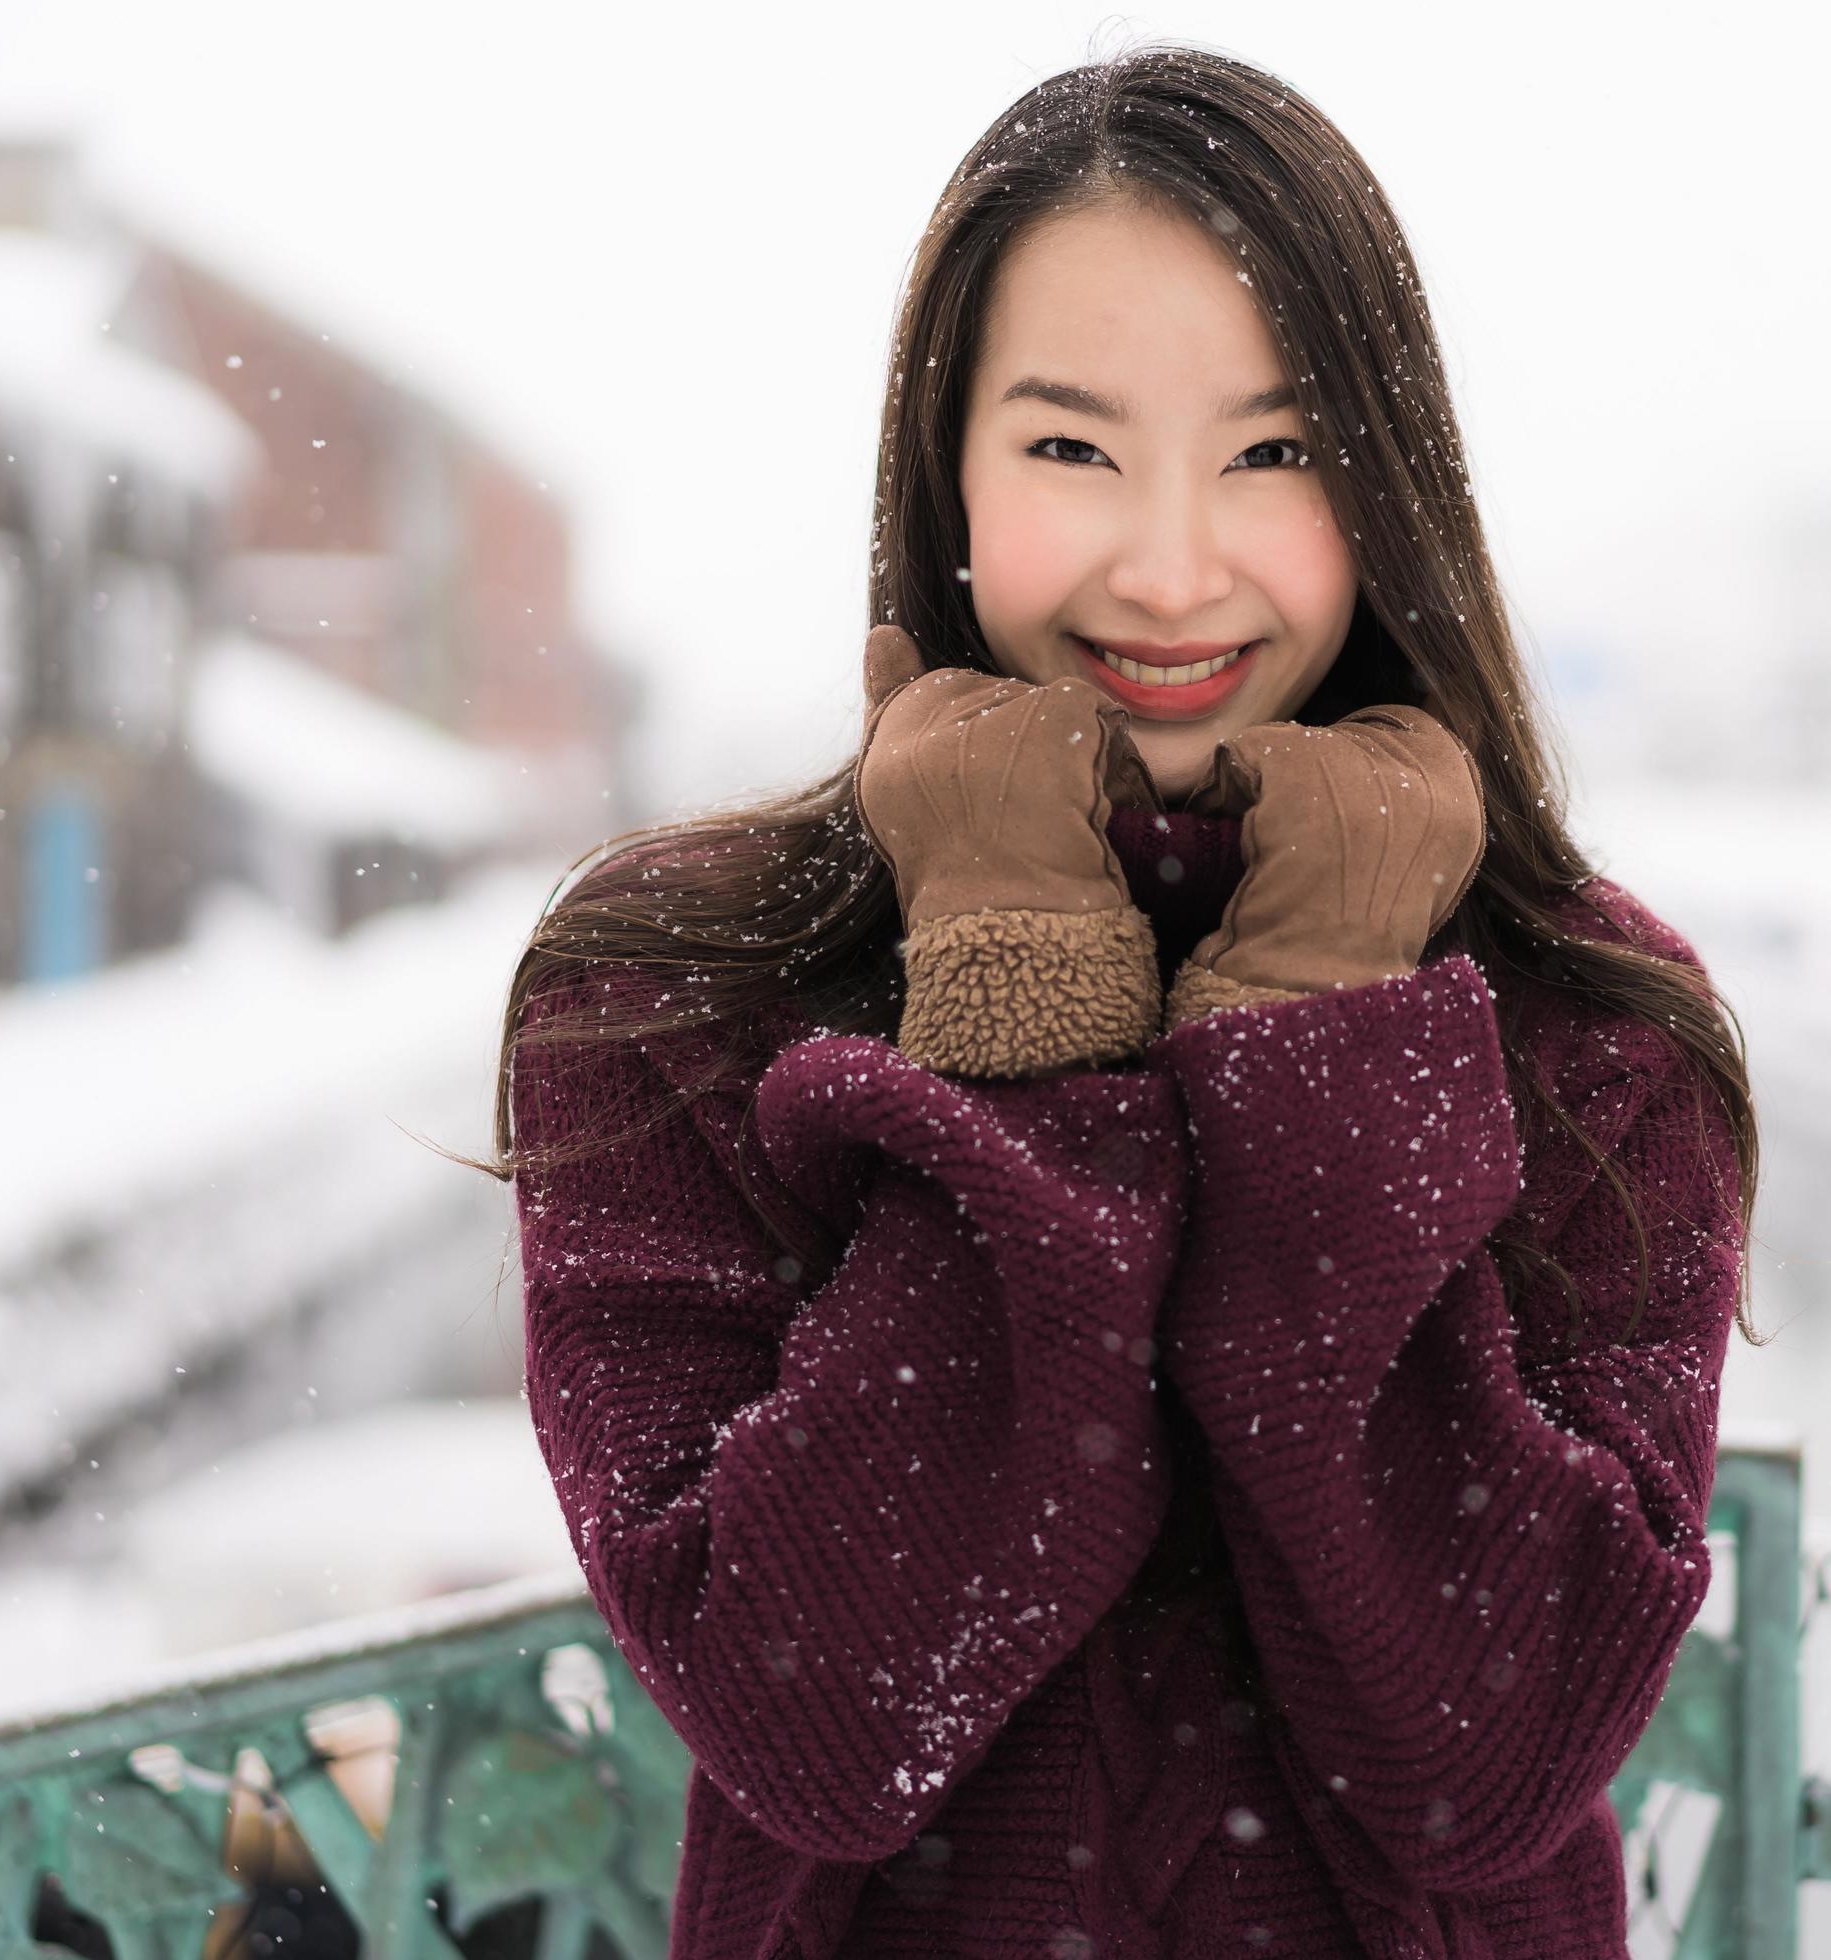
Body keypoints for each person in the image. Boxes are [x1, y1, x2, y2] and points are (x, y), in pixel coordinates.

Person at [484, 42, 1759, 1960]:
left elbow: (1485, 1764)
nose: (1174, 571)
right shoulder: (668, 990)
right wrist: (1016, 977)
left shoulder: (1589, 1026)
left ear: (1391, 481)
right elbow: (824, 1720)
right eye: (1074, 447)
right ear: (955, 470)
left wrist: (1330, 1035)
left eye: (1275, 452)